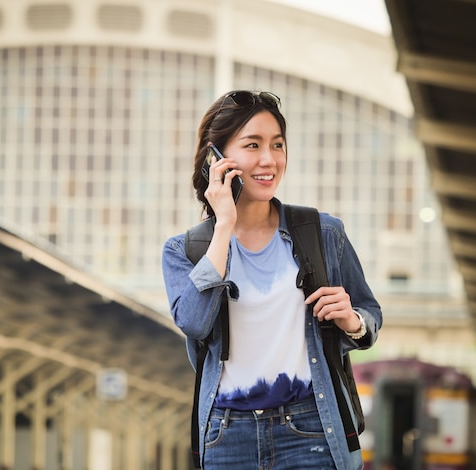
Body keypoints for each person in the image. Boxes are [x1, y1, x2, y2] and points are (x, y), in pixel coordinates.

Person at [162, 90, 382, 469]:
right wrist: (224, 226)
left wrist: (353, 321)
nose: (269, 160)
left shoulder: (323, 233)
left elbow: (369, 315)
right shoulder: (185, 250)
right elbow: (195, 323)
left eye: (277, 145)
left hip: (312, 428)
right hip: (227, 435)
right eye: (253, 145)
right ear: (217, 159)